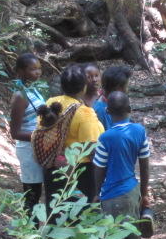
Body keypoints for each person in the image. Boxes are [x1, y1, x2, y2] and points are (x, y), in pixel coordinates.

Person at [93, 91, 150, 239]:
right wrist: (144, 192)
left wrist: (96, 192)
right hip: (133, 191)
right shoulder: (139, 131)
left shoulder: (106, 137)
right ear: (130, 109)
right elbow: (145, 164)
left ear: (107, 112)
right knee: (133, 237)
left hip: (112, 195)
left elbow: (100, 167)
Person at [44, 65, 104, 207]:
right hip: (78, 172)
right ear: (83, 87)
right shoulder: (85, 113)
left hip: (53, 165)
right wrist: (99, 183)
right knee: (79, 215)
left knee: (55, 211)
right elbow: (92, 149)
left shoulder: (51, 102)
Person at [10, 53, 45, 216]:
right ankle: (29, 234)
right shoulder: (20, 96)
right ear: (21, 71)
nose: (37, 72)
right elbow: (15, 132)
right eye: (32, 69)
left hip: (38, 146)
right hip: (28, 150)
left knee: (37, 192)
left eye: (38, 68)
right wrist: (39, 135)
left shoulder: (32, 90)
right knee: (32, 195)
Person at [94, 66, 132, 130]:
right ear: (118, 88)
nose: (127, 90)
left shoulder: (118, 103)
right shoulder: (100, 111)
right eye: (126, 86)